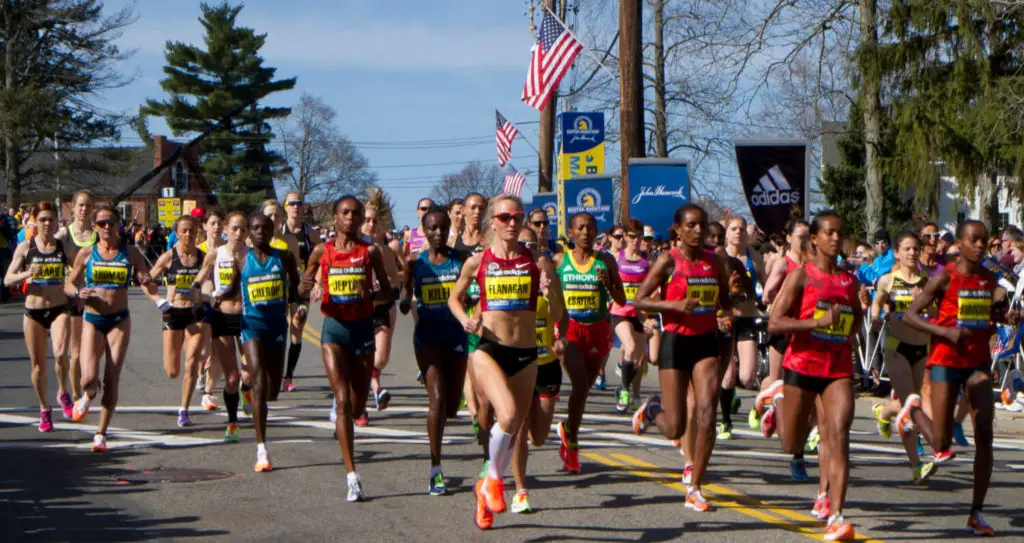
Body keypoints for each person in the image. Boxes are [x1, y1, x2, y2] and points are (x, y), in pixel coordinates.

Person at [448, 194, 565, 530]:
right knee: (509, 414)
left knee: (513, 429)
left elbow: (557, 313)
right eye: (504, 218)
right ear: (493, 222)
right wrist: (464, 321)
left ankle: (484, 494)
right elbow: (455, 300)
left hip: (526, 354)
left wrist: (550, 288)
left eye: (517, 217)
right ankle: (495, 479)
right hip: (489, 349)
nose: (511, 223)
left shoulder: (538, 262)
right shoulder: (479, 261)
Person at [900, 219, 1019, 537]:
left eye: (984, 241)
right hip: (944, 362)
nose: (981, 246)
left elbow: (989, 318)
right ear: (962, 243)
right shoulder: (944, 276)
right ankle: (911, 409)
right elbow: (910, 314)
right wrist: (944, 331)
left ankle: (976, 511)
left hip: (977, 363)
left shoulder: (989, 278)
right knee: (942, 444)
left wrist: (1007, 318)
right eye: (974, 240)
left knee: (985, 433)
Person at [765, 210, 863, 541]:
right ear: (815, 240)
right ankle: (776, 398)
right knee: (790, 444)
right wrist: (816, 324)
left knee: (838, 436)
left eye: (840, 233)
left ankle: (836, 515)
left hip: (836, 370)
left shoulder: (851, 282)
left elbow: (856, 321)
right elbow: (775, 323)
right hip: (801, 366)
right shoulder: (802, 276)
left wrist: (841, 336)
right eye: (830, 233)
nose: (836, 239)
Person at [631, 203, 734, 514]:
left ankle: (695, 487)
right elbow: (639, 301)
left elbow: (725, 302)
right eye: (691, 225)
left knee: (708, 410)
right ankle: (652, 410)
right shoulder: (668, 260)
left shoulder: (715, 262)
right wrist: (674, 306)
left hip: (705, 343)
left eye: (702, 225)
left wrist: (725, 317)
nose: (698, 231)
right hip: (675, 343)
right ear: (678, 229)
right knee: (675, 428)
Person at [299, 195, 391, 501]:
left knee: (357, 405)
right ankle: (352, 475)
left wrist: (373, 294)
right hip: (334, 331)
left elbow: (387, 293)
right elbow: (303, 284)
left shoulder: (371, 252)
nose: (351, 218)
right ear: (335, 219)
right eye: (345, 213)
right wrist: (305, 288)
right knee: (341, 401)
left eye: (356, 213)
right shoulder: (320, 251)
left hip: (363, 330)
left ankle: (348, 414)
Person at [217, 212, 304, 472]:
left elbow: (296, 290)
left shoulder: (284, 257)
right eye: (254, 228)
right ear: (248, 232)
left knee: (271, 391)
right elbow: (232, 289)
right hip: (251, 326)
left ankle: (254, 395)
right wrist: (214, 298)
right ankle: (261, 449)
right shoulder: (242, 260)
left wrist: (300, 306)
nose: (258, 233)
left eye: (264, 228)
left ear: (272, 231)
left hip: (277, 327)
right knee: (258, 378)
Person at [65, 206, 154, 452]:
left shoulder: (131, 252)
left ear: (118, 226)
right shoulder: (86, 254)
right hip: (93, 319)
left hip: (119, 321)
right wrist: (76, 292)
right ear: (95, 228)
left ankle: (101, 433)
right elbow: (69, 283)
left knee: (111, 378)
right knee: (88, 377)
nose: (106, 227)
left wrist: (146, 279)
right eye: (101, 223)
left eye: (111, 223)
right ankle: (88, 394)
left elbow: (146, 276)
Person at [400, 204, 467, 496]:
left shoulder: (460, 260)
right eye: (433, 228)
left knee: (451, 407)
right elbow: (405, 293)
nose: (439, 233)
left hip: (455, 336)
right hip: (427, 336)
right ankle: (435, 468)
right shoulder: (416, 264)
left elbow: (472, 293)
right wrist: (403, 302)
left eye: (443, 227)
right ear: (424, 231)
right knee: (436, 400)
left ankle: (457, 397)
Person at [554, 212, 627, 473]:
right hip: (570, 329)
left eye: (590, 227)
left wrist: (609, 284)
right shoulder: (560, 260)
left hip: (597, 330)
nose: (585, 232)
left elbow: (621, 300)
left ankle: (568, 429)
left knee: (583, 392)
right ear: (571, 232)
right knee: (581, 383)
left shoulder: (605, 260)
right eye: (580, 227)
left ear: (597, 232)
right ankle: (573, 446)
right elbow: (548, 293)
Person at [869, 232, 937, 483]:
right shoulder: (888, 280)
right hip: (896, 347)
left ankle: (884, 412)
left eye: (915, 249)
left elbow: (934, 311)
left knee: (912, 403)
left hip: (921, 348)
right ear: (897, 253)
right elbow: (877, 305)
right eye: (906, 249)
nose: (911, 253)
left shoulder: (927, 280)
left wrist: (923, 304)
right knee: (912, 404)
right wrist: (875, 316)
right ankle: (917, 465)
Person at [3, 202, 75, 430]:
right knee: (38, 367)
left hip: (59, 308)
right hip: (33, 311)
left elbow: (78, 273)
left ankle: (63, 391)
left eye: (51, 219)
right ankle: (45, 408)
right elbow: (7, 279)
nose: (47, 223)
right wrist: (26, 274)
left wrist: (74, 282)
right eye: (43, 219)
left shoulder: (63, 247)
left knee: (61, 354)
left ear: (57, 222)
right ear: (35, 221)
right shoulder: (26, 248)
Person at [509, 226, 564, 514]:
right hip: (518, 361)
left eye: (532, 244)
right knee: (518, 430)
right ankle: (521, 490)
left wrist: (548, 290)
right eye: (522, 243)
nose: (528, 248)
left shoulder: (546, 269)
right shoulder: (508, 275)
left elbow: (560, 316)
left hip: (546, 365)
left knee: (538, 436)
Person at [147, 216, 208, 427]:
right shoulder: (168, 257)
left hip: (195, 313)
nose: (188, 235)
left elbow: (214, 280)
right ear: (177, 233)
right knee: (172, 371)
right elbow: (147, 280)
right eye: (184, 231)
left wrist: (209, 295)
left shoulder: (203, 257)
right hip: (173, 312)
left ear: (197, 232)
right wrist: (157, 299)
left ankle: (184, 409)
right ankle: (182, 345)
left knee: (191, 362)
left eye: (192, 231)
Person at [194, 211, 248, 442]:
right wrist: (205, 296)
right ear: (226, 230)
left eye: (243, 229)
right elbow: (198, 283)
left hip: (247, 319)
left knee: (250, 373)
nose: (238, 233)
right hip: (223, 318)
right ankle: (233, 422)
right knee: (233, 377)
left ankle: (248, 393)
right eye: (234, 228)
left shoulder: (253, 256)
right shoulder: (215, 254)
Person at [720, 216, 765, 440]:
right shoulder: (719, 258)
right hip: (725, 321)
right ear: (726, 233)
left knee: (747, 377)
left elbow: (767, 289)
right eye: (733, 229)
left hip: (747, 319)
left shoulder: (754, 258)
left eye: (741, 229)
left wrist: (770, 303)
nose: (738, 232)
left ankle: (732, 393)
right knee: (727, 377)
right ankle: (726, 421)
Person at [360, 202, 404, 423]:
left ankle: (372, 386)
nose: (370, 224)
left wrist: (388, 287)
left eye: (373, 221)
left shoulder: (385, 250)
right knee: (362, 357)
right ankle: (371, 396)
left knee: (381, 358)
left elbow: (396, 280)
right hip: (358, 309)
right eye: (366, 220)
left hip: (382, 307)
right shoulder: (351, 249)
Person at [55, 190, 99, 402]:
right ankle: (74, 394)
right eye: (81, 205)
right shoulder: (63, 235)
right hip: (71, 294)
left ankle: (89, 381)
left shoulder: (97, 235)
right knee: (75, 350)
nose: (84, 209)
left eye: (88, 206)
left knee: (94, 347)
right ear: (73, 207)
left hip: (94, 295)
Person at [609, 219, 650, 413]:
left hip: (639, 314)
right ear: (625, 237)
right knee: (630, 348)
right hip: (620, 312)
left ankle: (634, 394)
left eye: (639, 237)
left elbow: (649, 290)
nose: (636, 241)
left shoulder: (645, 263)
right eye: (632, 236)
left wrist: (649, 315)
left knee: (639, 360)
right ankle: (624, 391)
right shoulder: (617, 258)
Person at [281, 192, 318, 393]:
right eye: (292, 203)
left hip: (302, 285)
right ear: (285, 207)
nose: (296, 207)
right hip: (281, 284)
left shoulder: (310, 233)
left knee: (297, 325)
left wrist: (318, 282)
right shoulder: (279, 230)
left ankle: (288, 376)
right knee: (278, 328)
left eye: (299, 203)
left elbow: (319, 259)